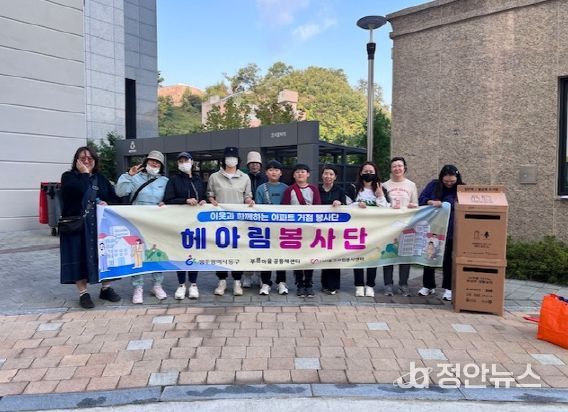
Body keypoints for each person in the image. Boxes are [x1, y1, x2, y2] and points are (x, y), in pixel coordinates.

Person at [60, 146, 121, 309]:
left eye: (90, 158)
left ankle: (106, 288)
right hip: (77, 224)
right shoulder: (68, 177)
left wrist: (108, 203)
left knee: (103, 256)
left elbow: (115, 198)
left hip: (99, 225)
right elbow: (79, 189)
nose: (86, 161)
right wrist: (85, 173)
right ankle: (83, 293)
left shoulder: (101, 178)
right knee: (78, 256)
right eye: (82, 158)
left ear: (95, 160)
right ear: (76, 161)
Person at [116, 150, 169, 304]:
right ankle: (137, 287)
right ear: (146, 162)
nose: (154, 164)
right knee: (138, 255)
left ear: (161, 166)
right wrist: (128, 175)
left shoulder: (165, 181)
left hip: (156, 223)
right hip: (137, 223)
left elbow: (170, 198)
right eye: (152, 161)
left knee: (157, 253)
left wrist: (166, 202)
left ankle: (157, 285)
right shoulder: (135, 177)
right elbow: (120, 192)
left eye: (158, 162)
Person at [207, 147, 255, 296]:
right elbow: (210, 194)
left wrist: (249, 201)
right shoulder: (214, 177)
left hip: (238, 222)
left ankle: (237, 281)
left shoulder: (244, 177)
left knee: (237, 251)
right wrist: (211, 199)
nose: (231, 160)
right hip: (219, 221)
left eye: (233, 157)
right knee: (220, 250)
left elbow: (247, 196)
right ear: (224, 159)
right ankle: (221, 281)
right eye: (228, 157)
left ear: (238, 160)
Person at [163, 151, 206, 300]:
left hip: (195, 223)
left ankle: (193, 284)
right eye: (180, 161)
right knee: (180, 253)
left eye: (186, 161)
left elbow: (203, 196)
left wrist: (204, 201)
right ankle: (181, 284)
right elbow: (168, 199)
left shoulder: (198, 179)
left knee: (194, 253)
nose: (183, 164)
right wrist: (185, 200)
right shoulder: (173, 180)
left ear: (192, 162)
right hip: (179, 223)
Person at [418, 164, 464, 301]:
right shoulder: (433, 185)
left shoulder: (462, 189)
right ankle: (428, 285)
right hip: (433, 228)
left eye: (452, 181)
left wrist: (446, 204)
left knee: (448, 260)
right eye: (446, 181)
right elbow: (421, 199)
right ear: (441, 178)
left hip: (451, 229)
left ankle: (448, 288)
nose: (449, 183)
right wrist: (430, 201)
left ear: (457, 178)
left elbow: (464, 206)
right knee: (430, 256)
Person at [347, 161, 389, 297]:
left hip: (375, 229)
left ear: (375, 173)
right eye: (365, 171)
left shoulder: (381, 189)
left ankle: (370, 285)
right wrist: (357, 205)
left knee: (373, 257)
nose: (368, 174)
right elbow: (346, 206)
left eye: (371, 172)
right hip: (356, 229)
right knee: (358, 257)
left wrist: (380, 195)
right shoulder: (353, 188)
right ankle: (359, 285)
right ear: (360, 173)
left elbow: (387, 209)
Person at [281, 163, 321, 297]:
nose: (300, 174)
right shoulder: (289, 190)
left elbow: (318, 208)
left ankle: (308, 283)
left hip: (310, 228)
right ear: (294, 175)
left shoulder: (313, 189)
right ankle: (299, 283)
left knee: (309, 256)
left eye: (303, 171)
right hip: (294, 230)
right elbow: (284, 209)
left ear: (308, 174)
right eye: (297, 172)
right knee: (297, 257)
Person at [382, 156, 418, 297]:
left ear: (404, 168)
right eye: (394, 166)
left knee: (405, 255)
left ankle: (403, 284)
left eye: (400, 166)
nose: (397, 168)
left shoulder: (411, 185)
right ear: (391, 169)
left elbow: (416, 204)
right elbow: (381, 205)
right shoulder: (384, 185)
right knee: (388, 254)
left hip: (406, 226)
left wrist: (413, 206)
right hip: (389, 226)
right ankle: (388, 284)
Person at [255, 160, 289, 295]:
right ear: (266, 173)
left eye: (276, 170)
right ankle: (265, 282)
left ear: (281, 173)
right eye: (270, 170)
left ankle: (281, 282)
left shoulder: (287, 188)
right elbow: (258, 208)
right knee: (266, 255)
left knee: (282, 255)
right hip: (266, 228)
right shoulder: (261, 188)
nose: (273, 172)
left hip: (282, 228)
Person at [318, 165, 347, 295]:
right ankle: (325, 284)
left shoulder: (340, 190)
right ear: (322, 175)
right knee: (324, 256)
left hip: (335, 230)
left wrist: (340, 204)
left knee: (335, 256)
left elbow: (346, 207)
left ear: (335, 177)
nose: (328, 176)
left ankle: (334, 285)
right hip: (320, 229)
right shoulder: (317, 190)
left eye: (331, 174)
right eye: (326, 173)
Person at [242, 151, 268, 288]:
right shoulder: (243, 177)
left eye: (256, 163)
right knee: (246, 247)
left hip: (262, 219)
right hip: (245, 218)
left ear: (260, 165)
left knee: (261, 246)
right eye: (251, 163)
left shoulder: (265, 178)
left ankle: (260, 275)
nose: (254, 166)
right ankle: (247, 275)